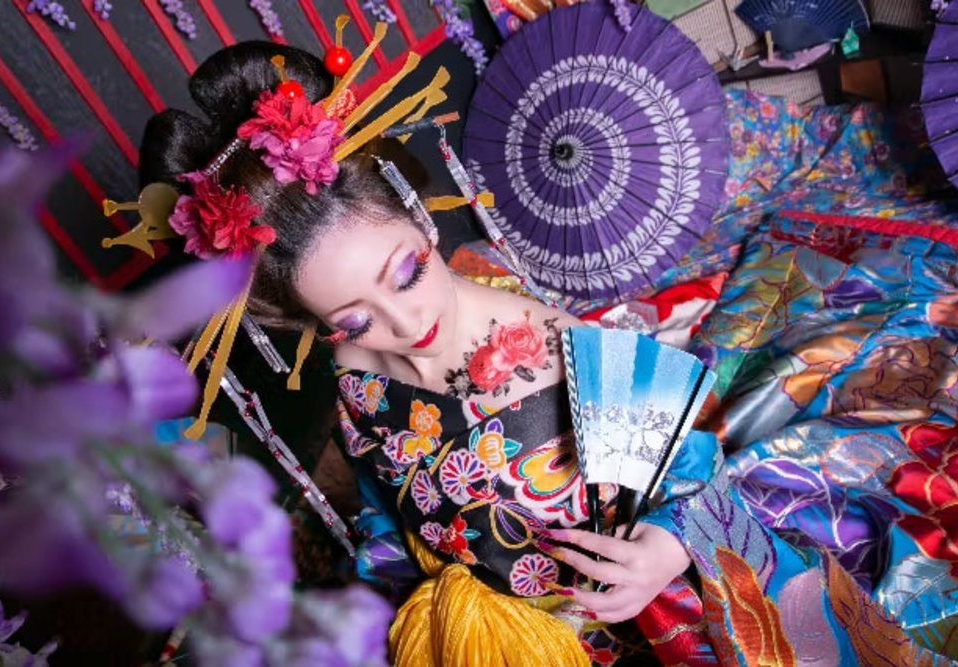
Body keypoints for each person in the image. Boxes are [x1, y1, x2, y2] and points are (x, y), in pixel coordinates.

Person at [138, 40, 952, 667]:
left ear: (422, 221)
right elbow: (388, 513)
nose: (407, 322)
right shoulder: (355, 378)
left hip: (637, 605)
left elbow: (692, 457)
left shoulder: (559, 342)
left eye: (407, 273)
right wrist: (418, 603)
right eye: (353, 319)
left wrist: (665, 549)